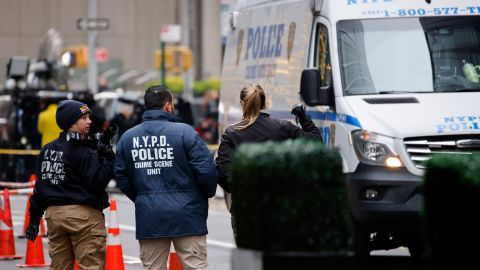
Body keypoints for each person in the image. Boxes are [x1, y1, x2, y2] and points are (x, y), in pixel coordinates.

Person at [115, 85, 217, 270]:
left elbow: (122, 177)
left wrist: (142, 197)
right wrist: (204, 195)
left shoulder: (128, 138)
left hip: (150, 215)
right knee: (196, 267)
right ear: (168, 105)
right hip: (188, 214)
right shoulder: (186, 133)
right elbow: (207, 171)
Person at [215, 84, 321, 237]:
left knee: (249, 257)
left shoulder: (231, 134)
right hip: (281, 207)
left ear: (242, 104)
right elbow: (316, 142)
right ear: (264, 104)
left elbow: (224, 176)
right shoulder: (282, 127)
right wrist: (303, 116)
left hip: (246, 210)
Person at [25, 100, 115, 270]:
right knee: (91, 266)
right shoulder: (83, 151)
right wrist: (109, 159)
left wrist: (34, 220)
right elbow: (98, 182)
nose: (89, 121)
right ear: (71, 122)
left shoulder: (47, 150)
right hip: (83, 217)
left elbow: (40, 189)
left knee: (59, 266)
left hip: (54, 217)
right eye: (84, 118)